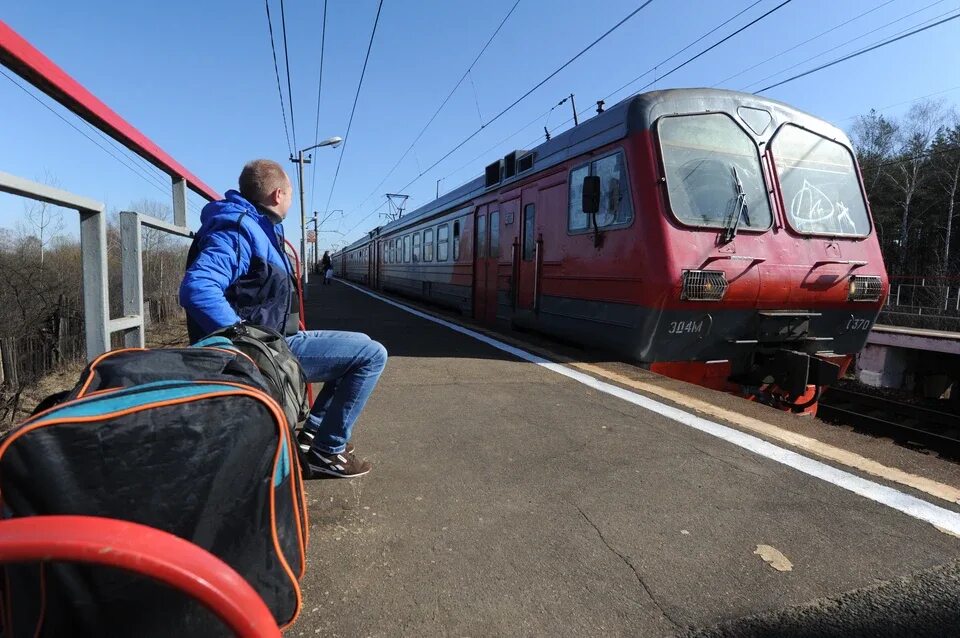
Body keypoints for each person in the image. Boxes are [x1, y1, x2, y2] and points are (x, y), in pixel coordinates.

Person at [179, 159, 387, 478]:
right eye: (291, 194)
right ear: (279, 194)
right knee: (371, 356)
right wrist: (243, 342)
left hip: (275, 341)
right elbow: (198, 288)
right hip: (260, 352)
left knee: (360, 347)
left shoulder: (261, 227)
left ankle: (314, 438)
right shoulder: (238, 227)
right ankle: (328, 450)